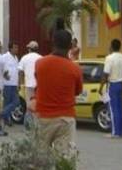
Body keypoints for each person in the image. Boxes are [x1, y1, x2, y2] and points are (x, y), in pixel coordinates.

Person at [34, 30, 83, 160]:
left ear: (53, 43)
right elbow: (77, 91)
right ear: (70, 46)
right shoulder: (75, 69)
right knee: (64, 160)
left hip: (43, 117)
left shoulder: (40, 64)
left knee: (40, 159)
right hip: (65, 119)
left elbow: (38, 83)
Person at [100, 39, 122, 139]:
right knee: (120, 108)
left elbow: (105, 73)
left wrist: (101, 87)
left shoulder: (109, 58)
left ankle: (115, 132)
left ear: (111, 46)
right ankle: (120, 131)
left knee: (113, 109)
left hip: (112, 84)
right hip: (121, 84)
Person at [17, 40, 42, 130]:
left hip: (28, 85)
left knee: (29, 105)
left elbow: (20, 72)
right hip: (39, 86)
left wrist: (20, 84)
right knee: (38, 105)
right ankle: (37, 124)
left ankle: (28, 124)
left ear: (29, 49)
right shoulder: (41, 58)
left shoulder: (24, 58)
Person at [0, 43, 20, 126]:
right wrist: (4, 75)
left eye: (17, 47)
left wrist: (18, 83)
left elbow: (17, 71)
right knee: (7, 102)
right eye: (15, 47)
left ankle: (2, 113)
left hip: (14, 83)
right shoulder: (4, 57)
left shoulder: (16, 58)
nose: (17, 49)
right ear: (10, 48)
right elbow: (0, 68)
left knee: (16, 102)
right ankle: (6, 120)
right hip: (7, 83)